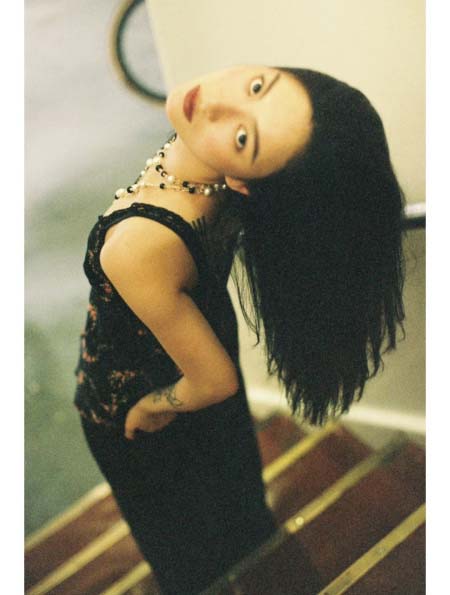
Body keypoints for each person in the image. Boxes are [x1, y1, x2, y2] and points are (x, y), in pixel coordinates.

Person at [73, 64, 406, 594]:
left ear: (244, 182)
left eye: (244, 138)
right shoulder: (215, 168)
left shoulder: (138, 244)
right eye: (256, 86)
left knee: (177, 543)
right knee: (232, 497)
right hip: (205, 335)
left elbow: (213, 382)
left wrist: (151, 407)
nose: (215, 105)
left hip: (139, 396)